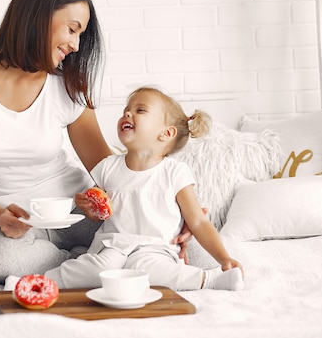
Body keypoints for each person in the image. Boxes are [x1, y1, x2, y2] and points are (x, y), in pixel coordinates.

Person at [0, 0, 192, 284]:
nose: (75, 44)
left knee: (183, 240)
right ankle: (94, 261)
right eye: (72, 30)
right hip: (20, 227)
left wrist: (174, 205)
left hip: (80, 213)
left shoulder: (67, 86)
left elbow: (107, 165)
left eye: (80, 35)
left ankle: (95, 261)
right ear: (37, 16)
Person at [36, 86, 244, 291]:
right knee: (99, 268)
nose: (127, 113)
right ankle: (41, 282)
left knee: (147, 269)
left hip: (155, 249)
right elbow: (99, 214)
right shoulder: (108, 167)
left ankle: (209, 279)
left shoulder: (175, 173)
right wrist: (90, 209)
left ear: (166, 133)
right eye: (126, 109)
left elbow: (198, 221)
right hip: (113, 246)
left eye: (140, 110)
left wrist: (224, 258)